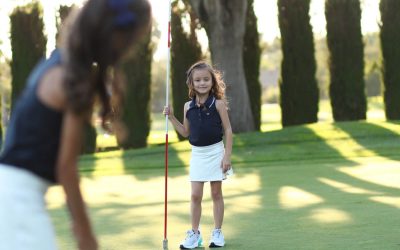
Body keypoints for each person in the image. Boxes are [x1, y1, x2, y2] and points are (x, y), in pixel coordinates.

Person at [0, 0, 151, 249]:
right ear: (116, 37)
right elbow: (66, 168)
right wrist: (85, 235)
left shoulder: (59, 62)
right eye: (134, 41)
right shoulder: (73, 80)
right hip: (16, 201)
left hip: (12, 193)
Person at [163, 61, 233, 249]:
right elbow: (186, 132)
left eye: (206, 79)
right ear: (191, 83)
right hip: (198, 155)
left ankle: (217, 232)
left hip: (216, 152)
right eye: (198, 80)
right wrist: (171, 117)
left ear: (212, 82)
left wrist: (227, 156)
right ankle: (195, 234)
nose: (202, 83)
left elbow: (228, 131)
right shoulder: (188, 106)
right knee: (195, 195)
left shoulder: (218, 104)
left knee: (216, 193)